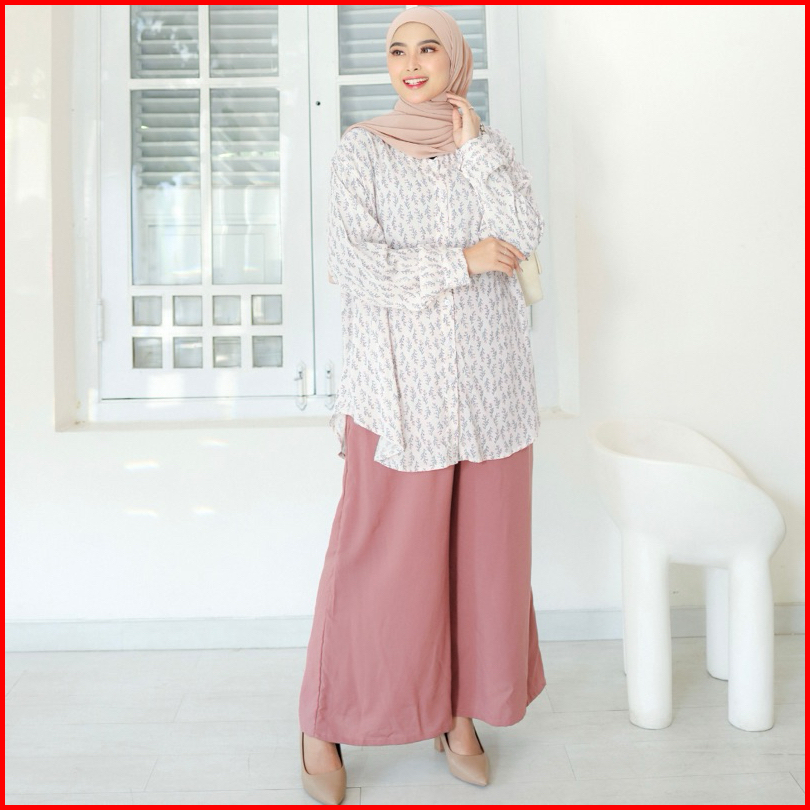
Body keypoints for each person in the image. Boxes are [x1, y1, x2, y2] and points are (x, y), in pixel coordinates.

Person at [298, 6, 547, 804]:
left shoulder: (486, 148)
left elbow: (525, 233)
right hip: (399, 399)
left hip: (492, 398)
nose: (411, 63)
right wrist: (461, 261)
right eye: (398, 50)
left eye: (428, 48)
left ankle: (458, 716)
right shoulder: (361, 150)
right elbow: (355, 265)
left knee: (482, 569)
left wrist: (475, 152)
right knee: (378, 568)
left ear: (455, 60)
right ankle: (323, 718)